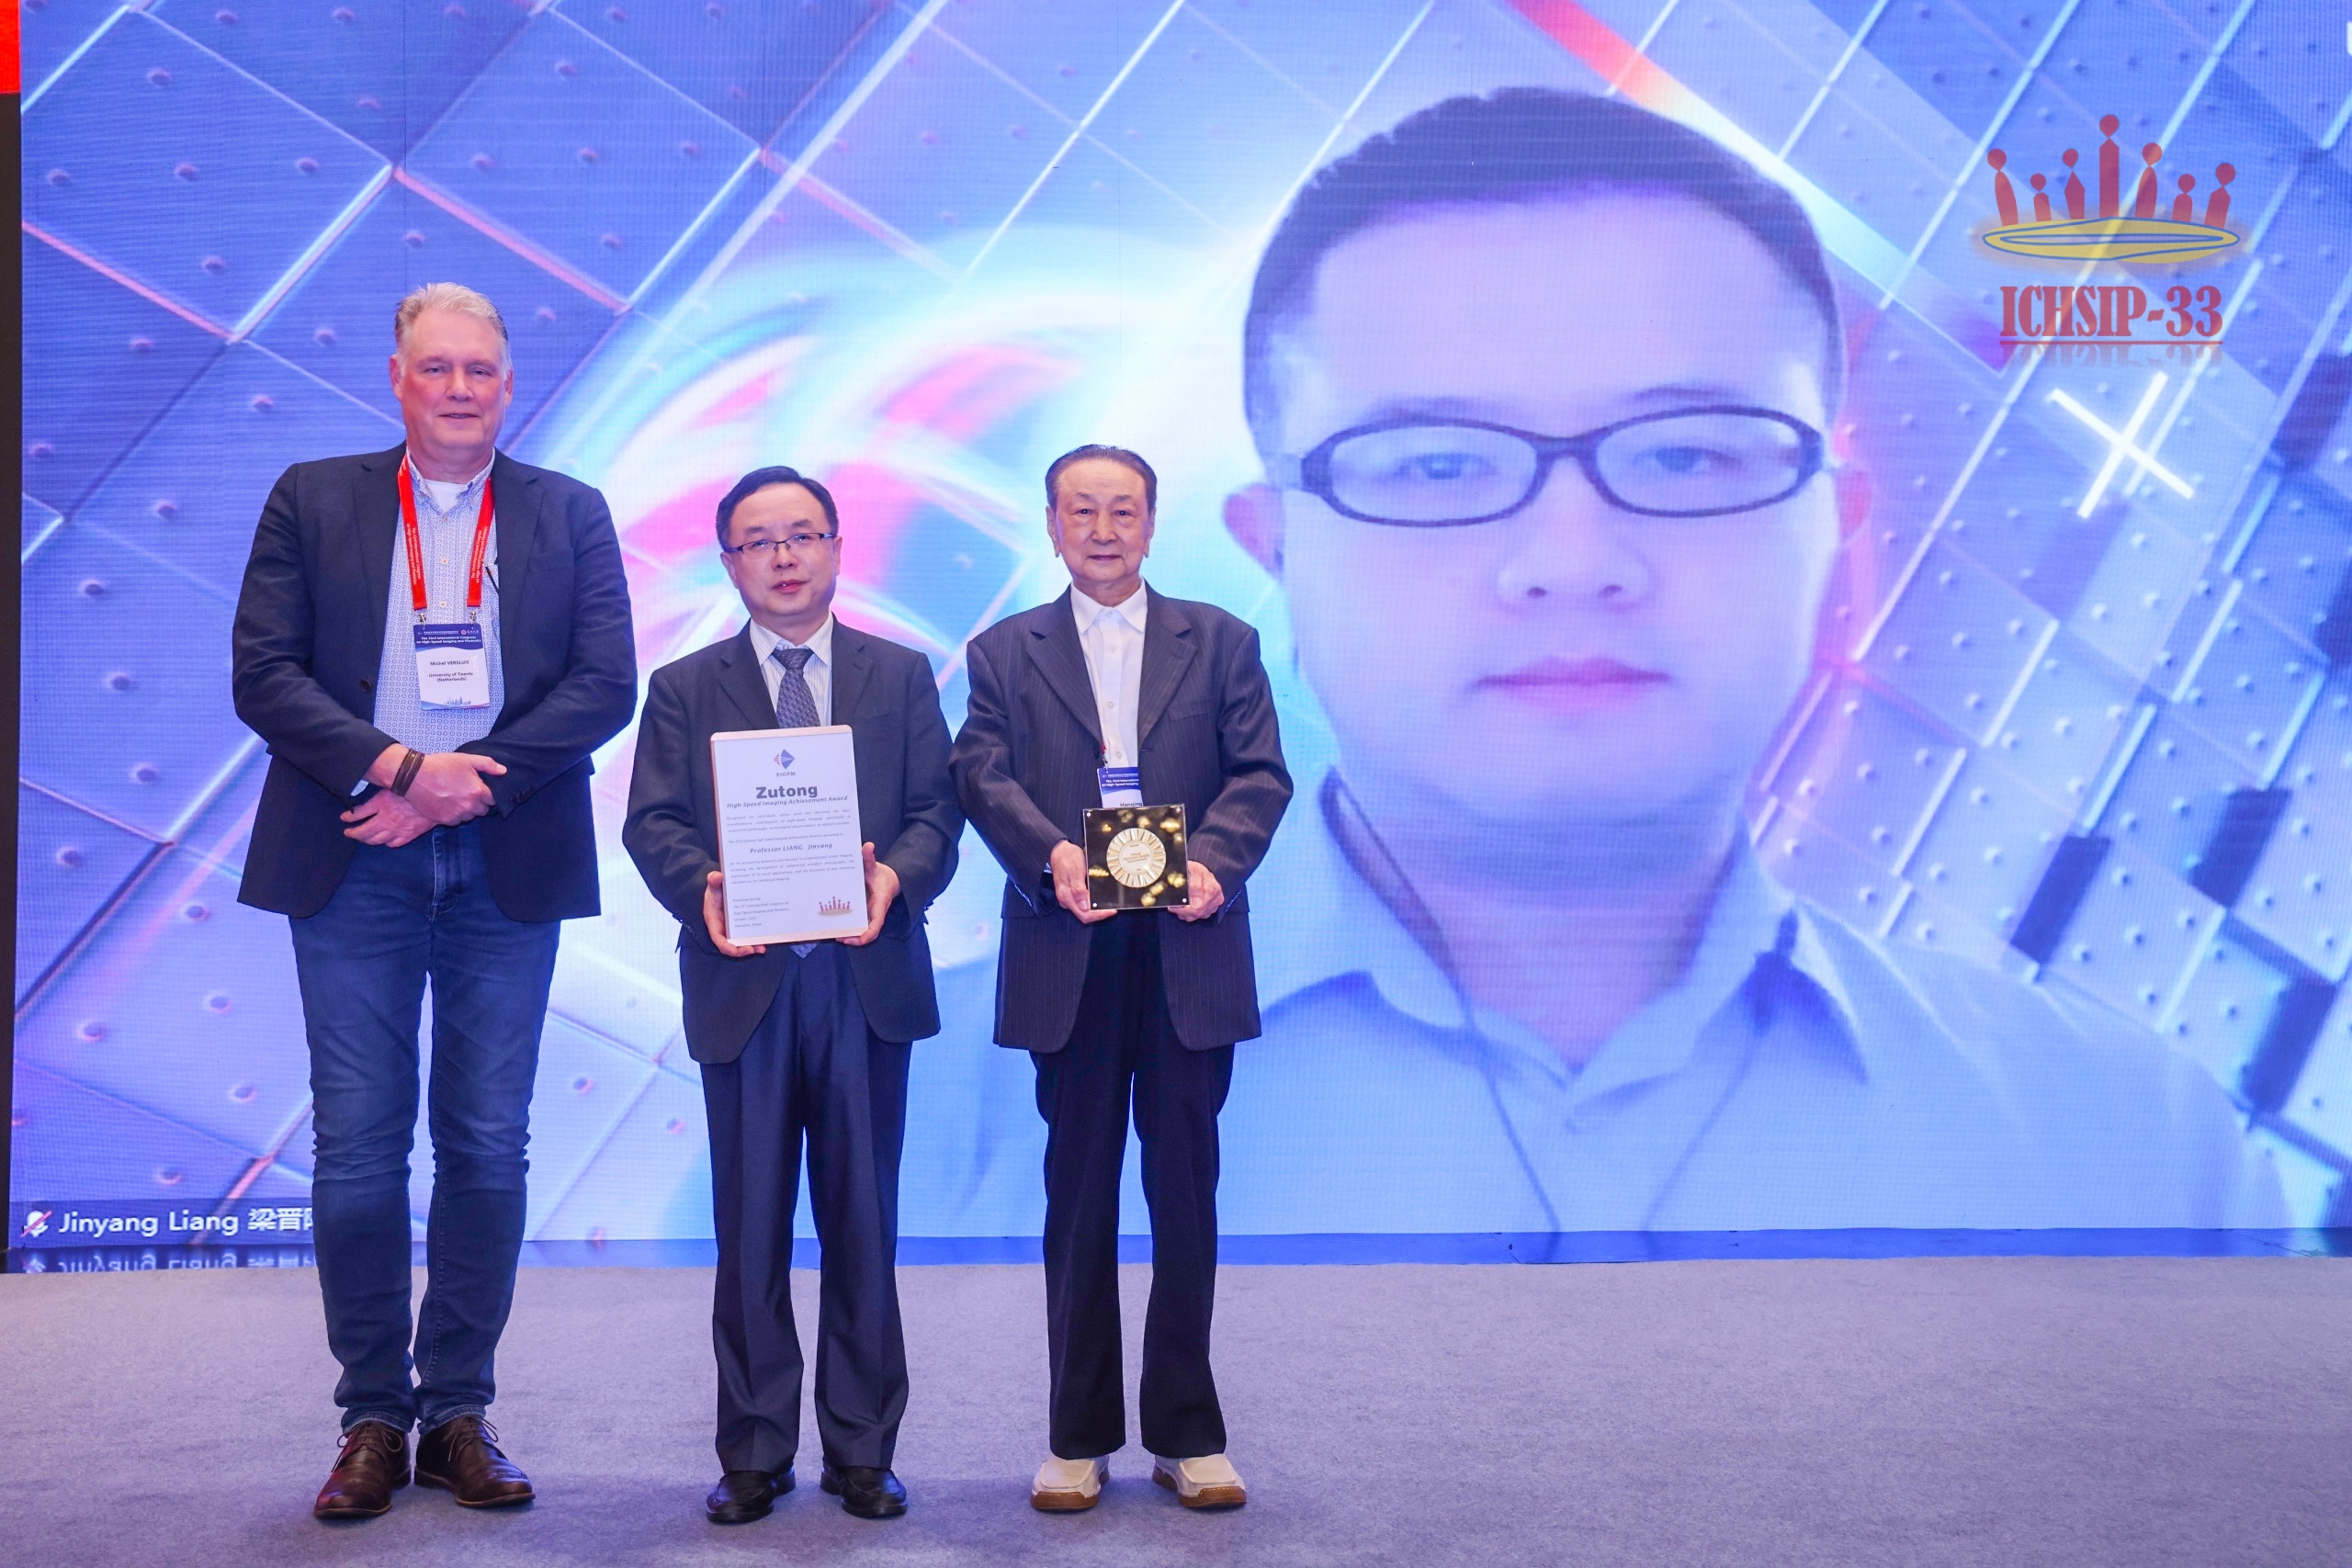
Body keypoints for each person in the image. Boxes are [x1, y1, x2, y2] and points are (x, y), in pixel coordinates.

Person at [1214, 89, 2281, 1233]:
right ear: (1274, 545)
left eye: (1684, 456)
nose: (1572, 563)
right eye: (1434, 465)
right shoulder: (1059, 1086)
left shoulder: (2131, 1154)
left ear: (1836, 528)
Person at [231, 282, 637, 1518]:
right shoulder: (315, 496)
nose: (459, 388)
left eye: (480, 370)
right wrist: (404, 770)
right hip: (354, 844)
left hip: (505, 850)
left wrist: (467, 783)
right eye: (436, 367)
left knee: (486, 1140)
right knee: (359, 1142)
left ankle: (458, 1408)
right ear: (397, 378)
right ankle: (371, 1413)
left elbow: (604, 684)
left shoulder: (569, 510)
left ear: (508, 386)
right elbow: (264, 673)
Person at [951, 446, 1292, 1512]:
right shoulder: (1002, 650)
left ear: (1151, 522)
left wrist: (1215, 861)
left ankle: (1189, 1435)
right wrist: (1049, 853)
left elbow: (1261, 774)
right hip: (1071, 945)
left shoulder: (1221, 641)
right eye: (1082, 512)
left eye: (1123, 511)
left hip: (1188, 946)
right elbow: (978, 771)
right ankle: (1078, 1435)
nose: (1102, 531)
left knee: (1185, 1194)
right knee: (1078, 1195)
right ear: (1053, 524)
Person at [623, 466, 960, 1524]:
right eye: (758, 540)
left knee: (864, 1224)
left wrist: (894, 877)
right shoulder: (683, 686)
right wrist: (705, 887)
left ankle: (862, 1449)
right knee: (751, 1230)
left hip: (864, 977)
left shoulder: (899, 676)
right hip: (746, 981)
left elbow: (937, 813)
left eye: (803, 534)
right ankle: (755, 1451)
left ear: (836, 548)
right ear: (728, 563)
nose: (783, 556)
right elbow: (653, 823)